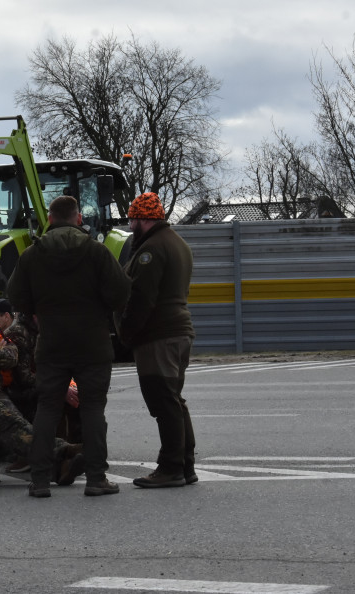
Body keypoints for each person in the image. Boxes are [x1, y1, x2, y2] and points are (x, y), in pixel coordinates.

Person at [7, 195, 131, 498]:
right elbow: (121, 292)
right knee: (92, 409)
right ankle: (96, 478)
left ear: (49, 219)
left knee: (47, 409)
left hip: (51, 343)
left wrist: (40, 309)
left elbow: (15, 296)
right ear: (78, 219)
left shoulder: (33, 255)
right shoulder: (96, 251)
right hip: (93, 343)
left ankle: (39, 481)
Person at [0, 277, 82, 486]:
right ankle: (63, 451)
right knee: (12, 424)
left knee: (19, 422)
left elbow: (11, 357)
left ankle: (62, 463)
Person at [116, 192, 198, 489]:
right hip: (178, 331)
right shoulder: (178, 243)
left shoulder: (151, 250)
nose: (130, 225)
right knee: (174, 400)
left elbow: (141, 298)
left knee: (163, 402)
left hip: (158, 336)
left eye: (132, 219)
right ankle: (185, 465)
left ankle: (171, 468)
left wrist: (125, 335)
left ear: (143, 218)